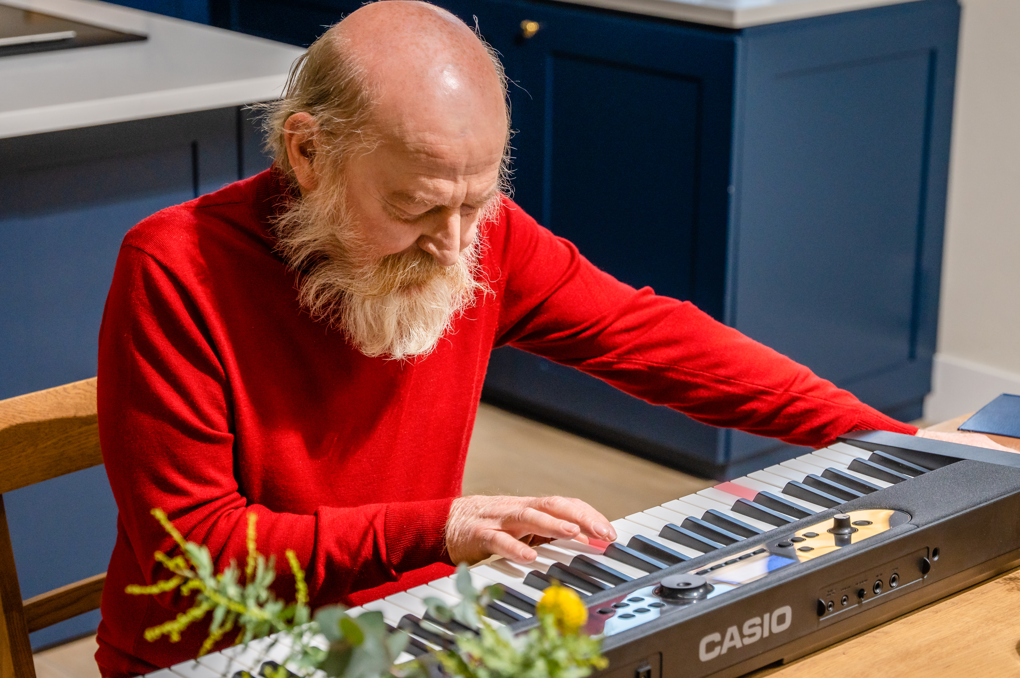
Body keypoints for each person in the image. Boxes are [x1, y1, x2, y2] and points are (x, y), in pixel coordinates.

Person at [93, 2, 1009, 675]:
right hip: (224, 650)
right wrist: (441, 526)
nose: (456, 245)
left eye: (477, 200)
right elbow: (198, 556)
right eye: (415, 207)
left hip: (414, 620)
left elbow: (653, 337)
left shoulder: (476, 234)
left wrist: (886, 444)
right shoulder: (175, 270)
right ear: (308, 153)